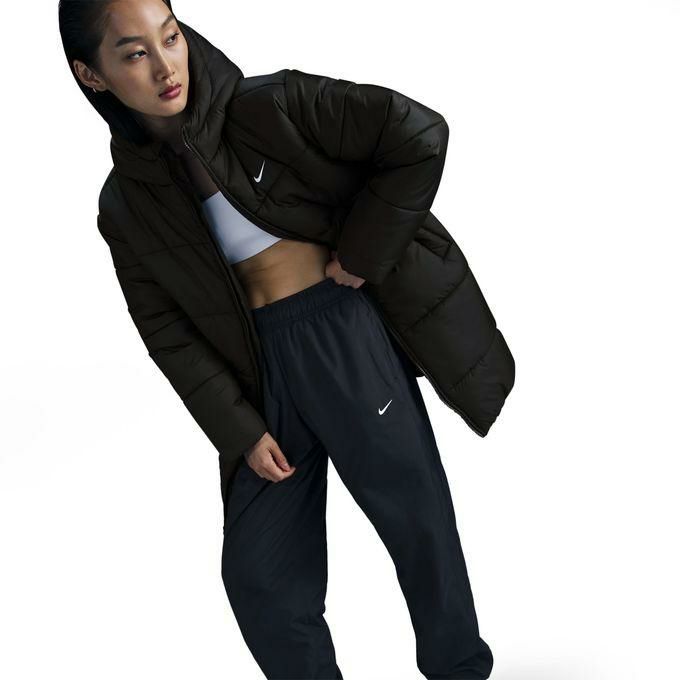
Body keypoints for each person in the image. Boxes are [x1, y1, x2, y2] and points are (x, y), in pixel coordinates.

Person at [59, 0, 513, 677]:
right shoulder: (125, 204)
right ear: (91, 74)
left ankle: (460, 669)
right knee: (261, 577)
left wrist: (364, 252)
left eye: (170, 38)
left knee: (416, 521)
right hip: (257, 378)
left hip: (339, 333)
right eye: (134, 53)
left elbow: (418, 133)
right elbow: (166, 330)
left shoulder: (269, 105)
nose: (165, 67)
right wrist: (240, 430)